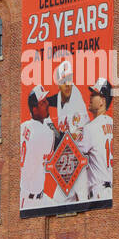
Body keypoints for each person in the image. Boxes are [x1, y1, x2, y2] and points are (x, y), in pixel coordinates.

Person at [47, 58, 89, 204]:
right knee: (56, 204)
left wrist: (51, 129)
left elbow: (70, 139)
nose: (67, 84)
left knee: (85, 204)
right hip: (69, 163)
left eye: (69, 79)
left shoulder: (76, 99)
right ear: (58, 83)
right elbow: (54, 99)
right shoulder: (61, 96)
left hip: (82, 162)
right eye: (64, 80)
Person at [19, 84, 55, 210]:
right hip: (29, 202)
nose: (47, 104)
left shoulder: (23, 126)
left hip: (35, 196)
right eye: (42, 102)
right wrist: (50, 119)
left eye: (46, 100)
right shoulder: (43, 132)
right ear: (34, 109)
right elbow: (58, 141)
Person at [83, 78, 113, 201]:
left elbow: (71, 150)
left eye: (94, 94)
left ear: (102, 101)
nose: (90, 96)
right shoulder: (114, 124)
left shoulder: (91, 128)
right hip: (112, 192)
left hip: (99, 193)